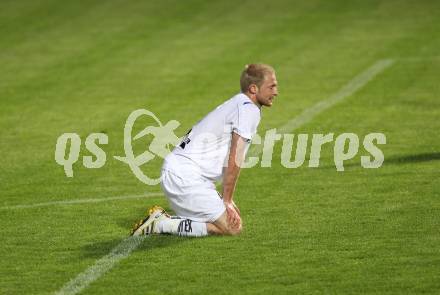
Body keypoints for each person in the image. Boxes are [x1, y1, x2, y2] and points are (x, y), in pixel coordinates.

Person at [131, 63, 278, 237]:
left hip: (184, 173)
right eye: (271, 87)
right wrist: (227, 199)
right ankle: (161, 224)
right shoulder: (248, 110)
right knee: (232, 228)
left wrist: (225, 198)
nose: (276, 92)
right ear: (254, 89)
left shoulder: (240, 104)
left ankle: (167, 220)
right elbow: (235, 158)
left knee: (234, 221)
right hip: (185, 178)